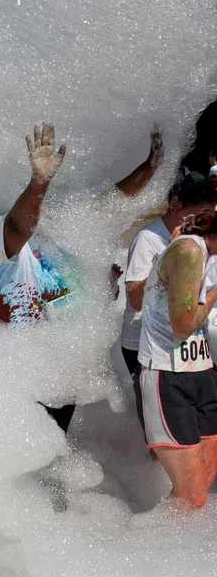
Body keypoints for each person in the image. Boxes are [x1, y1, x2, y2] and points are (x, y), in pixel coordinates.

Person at [0, 122, 163, 433]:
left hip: (63, 372)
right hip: (19, 373)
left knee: (50, 449)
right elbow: (19, 225)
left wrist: (152, 165)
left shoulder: (64, 242)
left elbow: (111, 202)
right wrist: (38, 183)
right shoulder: (4, 238)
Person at [135, 208, 217, 507]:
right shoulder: (188, 251)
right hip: (168, 376)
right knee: (192, 496)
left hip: (203, 370)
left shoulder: (206, 251)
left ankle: (179, 549)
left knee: (203, 483)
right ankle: (141, 549)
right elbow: (182, 325)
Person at [121, 174, 217, 377]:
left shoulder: (202, 239)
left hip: (185, 344)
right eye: (195, 218)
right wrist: (169, 260)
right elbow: (135, 299)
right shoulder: (148, 239)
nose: (202, 225)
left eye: (208, 219)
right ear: (175, 205)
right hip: (146, 345)